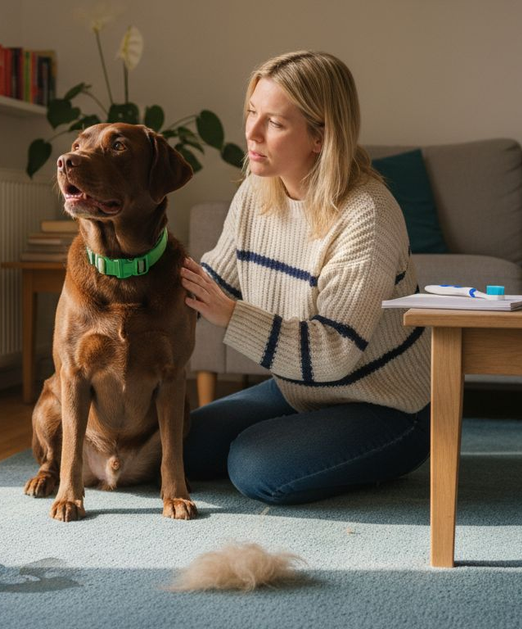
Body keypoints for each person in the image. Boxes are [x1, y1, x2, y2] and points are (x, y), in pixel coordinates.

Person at [178, 51, 432, 506]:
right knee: (175, 444)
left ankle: (369, 456)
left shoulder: (367, 214)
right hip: (301, 393)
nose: (251, 133)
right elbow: (212, 282)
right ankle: (303, 441)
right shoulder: (256, 193)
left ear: (321, 136)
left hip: (388, 407)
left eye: (274, 122)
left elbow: (334, 352)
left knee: (254, 466)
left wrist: (232, 316)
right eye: (252, 113)